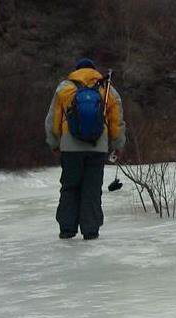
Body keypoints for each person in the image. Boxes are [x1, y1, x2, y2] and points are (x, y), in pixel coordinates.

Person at [45, 58, 126, 240]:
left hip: (70, 147)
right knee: (92, 189)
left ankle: (67, 229)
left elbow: (52, 120)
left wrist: (54, 143)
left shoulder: (65, 88)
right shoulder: (107, 89)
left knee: (70, 187)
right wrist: (118, 145)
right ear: (94, 70)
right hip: (98, 147)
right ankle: (90, 231)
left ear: (76, 70)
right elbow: (117, 121)